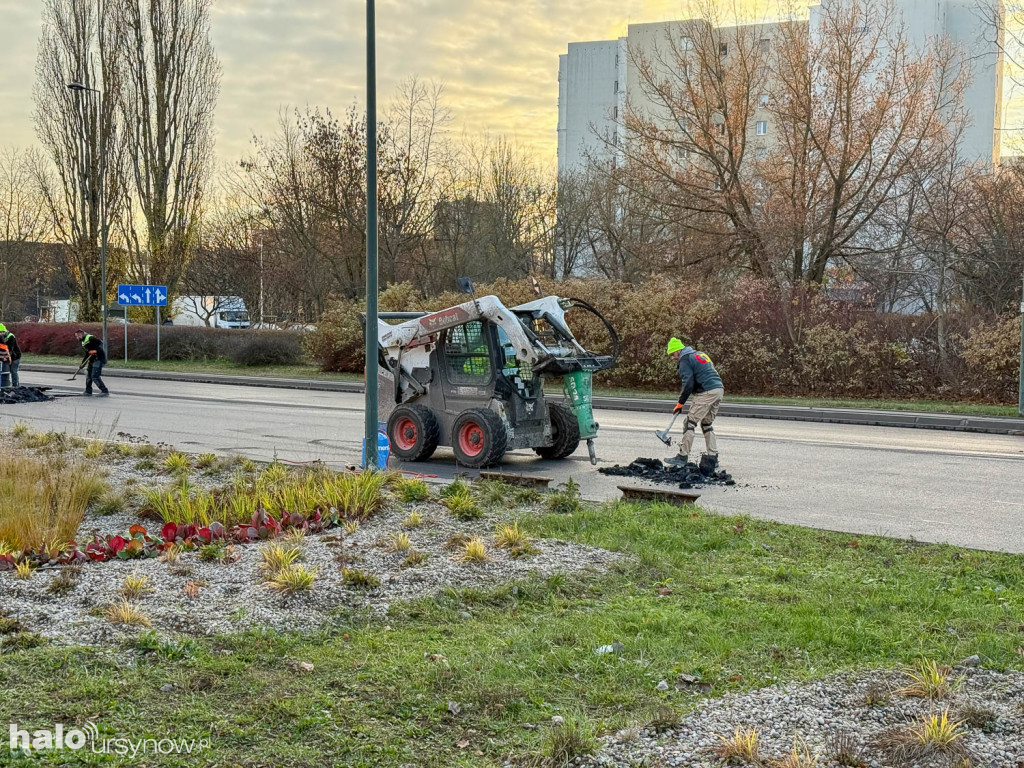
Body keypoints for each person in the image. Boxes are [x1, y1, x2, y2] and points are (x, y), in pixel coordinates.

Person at [665, 337, 723, 468]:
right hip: (719, 389)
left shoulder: (684, 359)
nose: (672, 358)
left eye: (673, 354)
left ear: (678, 351)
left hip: (706, 391)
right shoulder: (699, 354)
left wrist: (680, 403)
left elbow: (688, 383)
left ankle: (682, 456)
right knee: (707, 424)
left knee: (689, 423)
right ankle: (713, 457)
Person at [74, 329, 110, 397]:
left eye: (78, 336)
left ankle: (104, 391)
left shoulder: (90, 338)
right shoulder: (83, 342)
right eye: (76, 336)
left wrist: (95, 350)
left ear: (81, 334)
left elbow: (100, 343)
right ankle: (88, 391)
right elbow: (87, 354)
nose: (77, 338)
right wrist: (82, 364)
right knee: (88, 375)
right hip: (92, 360)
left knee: (94, 376)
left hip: (99, 359)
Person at [0, 323, 20, 388]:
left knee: (13, 371)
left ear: (3, 331)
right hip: (8, 356)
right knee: (7, 371)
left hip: (15, 356)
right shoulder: (3, 337)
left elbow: (9, 349)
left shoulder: (10, 337)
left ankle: (15, 385)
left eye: (1, 332)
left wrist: (6, 358)